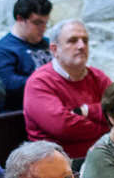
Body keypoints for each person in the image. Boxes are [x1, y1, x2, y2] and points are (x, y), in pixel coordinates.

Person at [22, 19, 109, 157]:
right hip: (57, 165)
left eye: (85, 40)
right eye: (73, 40)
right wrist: (108, 126)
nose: (81, 46)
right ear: (54, 49)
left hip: (102, 157)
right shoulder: (39, 82)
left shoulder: (98, 77)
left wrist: (86, 111)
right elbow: (63, 127)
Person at [0, 0, 52, 109]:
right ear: (20, 19)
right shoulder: (0, 51)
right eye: (37, 23)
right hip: (21, 116)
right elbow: (9, 85)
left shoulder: (49, 44)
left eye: (45, 23)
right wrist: (53, 81)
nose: (43, 28)